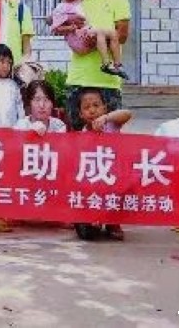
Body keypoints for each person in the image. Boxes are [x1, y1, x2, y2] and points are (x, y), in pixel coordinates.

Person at [63, 0, 131, 131]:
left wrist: (96, 41)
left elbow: (122, 35)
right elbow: (66, 27)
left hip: (107, 81)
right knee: (75, 137)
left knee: (109, 138)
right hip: (79, 78)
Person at [74, 87, 133, 242]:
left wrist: (107, 118)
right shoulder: (82, 134)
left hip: (115, 176)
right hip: (95, 179)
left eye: (96, 105)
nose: (92, 110)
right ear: (80, 114)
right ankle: (95, 219)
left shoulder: (112, 125)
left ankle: (113, 223)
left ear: (104, 108)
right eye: (86, 107)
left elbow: (127, 114)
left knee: (121, 189)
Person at [51, 0, 127, 79]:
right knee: (100, 32)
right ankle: (106, 63)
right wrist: (70, 27)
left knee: (113, 33)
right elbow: (55, 29)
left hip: (86, 34)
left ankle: (118, 64)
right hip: (78, 40)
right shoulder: (61, 8)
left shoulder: (79, 0)